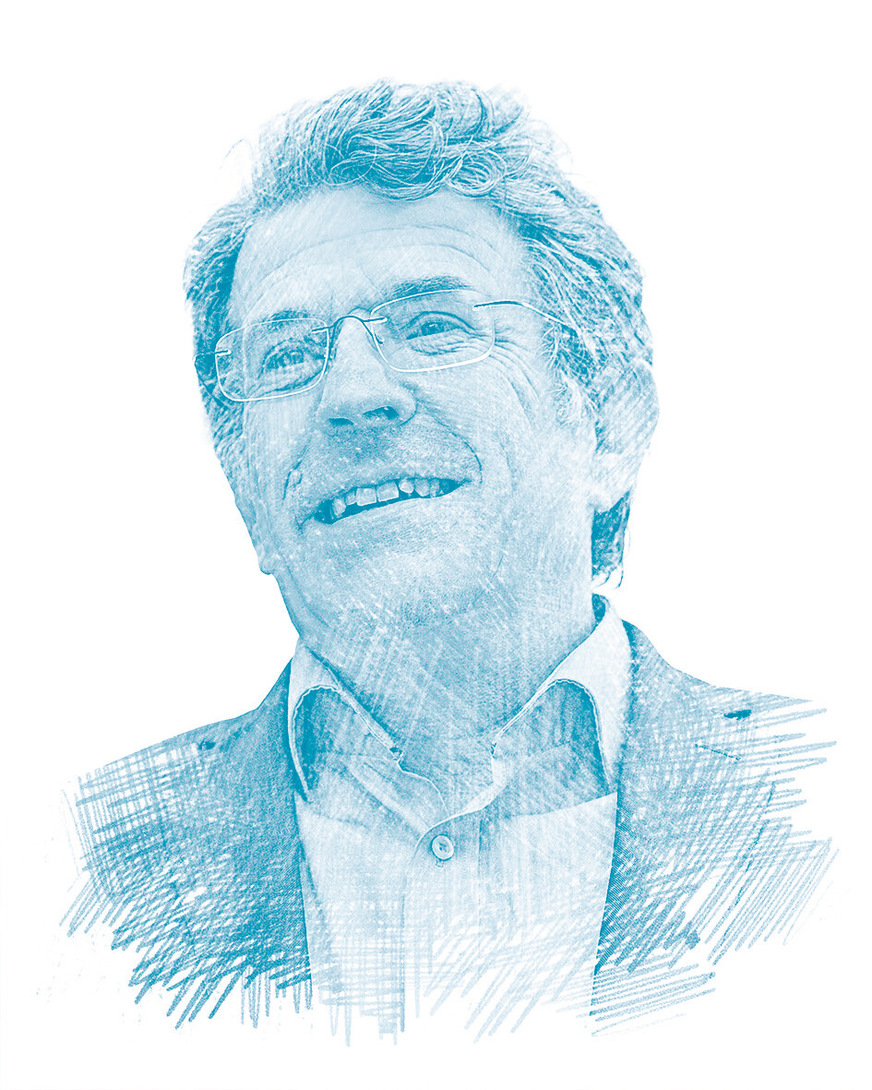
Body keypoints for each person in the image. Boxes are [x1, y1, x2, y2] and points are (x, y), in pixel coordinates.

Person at [66, 81, 830, 1036]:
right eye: (288, 356)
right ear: (245, 490)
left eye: (435, 327)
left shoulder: (835, 814)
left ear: (609, 424)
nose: (353, 394)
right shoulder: (70, 878)